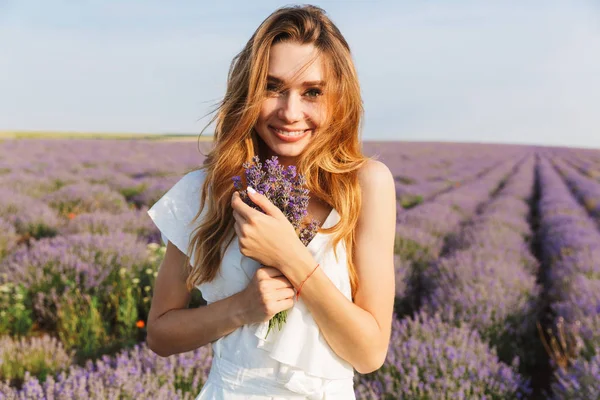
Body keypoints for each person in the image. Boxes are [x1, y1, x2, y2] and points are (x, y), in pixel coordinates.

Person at [146, 4, 396, 399]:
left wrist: (291, 259)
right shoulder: (205, 190)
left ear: (339, 98)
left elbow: (369, 354)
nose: (290, 112)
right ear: (248, 91)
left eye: (312, 92)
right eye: (272, 87)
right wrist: (241, 308)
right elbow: (159, 334)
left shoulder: (364, 186)